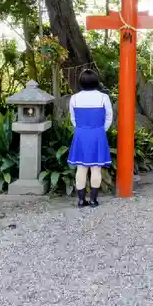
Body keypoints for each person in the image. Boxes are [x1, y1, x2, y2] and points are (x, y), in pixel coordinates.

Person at [67, 69, 113, 207]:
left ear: (81, 82)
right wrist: (100, 129)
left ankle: (81, 201)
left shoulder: (74, 98)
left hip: (81, 134)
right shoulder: (103, 97)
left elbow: (73, 118)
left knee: (81, 168)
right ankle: (93, 200)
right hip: (98, 133)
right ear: (96, 81)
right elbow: (109, 117)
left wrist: (81, 128)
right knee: (96, 168)